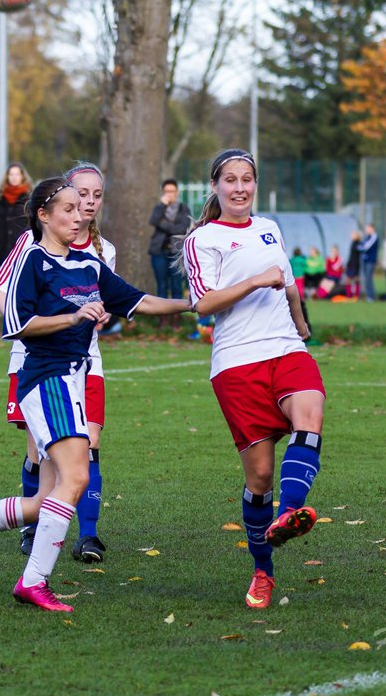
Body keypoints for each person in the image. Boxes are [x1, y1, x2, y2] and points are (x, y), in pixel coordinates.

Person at [0, 177, 191, 612]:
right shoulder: (33, 261)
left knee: (45, 500)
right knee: (78, 477)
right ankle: (34, 581)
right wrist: (71, 318)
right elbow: (17, 323)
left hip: (73, 380)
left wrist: (194, 303)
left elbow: (139, 301)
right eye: (67, 208)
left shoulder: (89, 265)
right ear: (43, 216)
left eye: (80, 207)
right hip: (45, 379)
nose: (78, 213)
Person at [182, 148, 323, 609]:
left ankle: (288, 515)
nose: (240, 188)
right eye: (231, 180)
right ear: (216, 186)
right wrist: (254, 282)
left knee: (310, 412)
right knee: (260, 476)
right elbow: (203, 304)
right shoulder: (202, 239)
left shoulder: (269, 228)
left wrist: (300, 323)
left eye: (247, 179)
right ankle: (264, 571)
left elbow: (286, 282)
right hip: (237, 362)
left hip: (285, 346)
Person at [0, 161, 117, 563]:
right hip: (36, 362)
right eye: (81, 195)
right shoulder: (33, 244)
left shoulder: (104, 250)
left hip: (85, 361)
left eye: (96, 195)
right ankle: (32, 527)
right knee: (40, 452)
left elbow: (107, 298)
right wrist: (30, 324)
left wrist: (104, 312)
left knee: (90, 445)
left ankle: (90, 536)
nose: (88, 203)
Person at [148, 178, 192, 307]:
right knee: (161, 287)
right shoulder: (159, 207)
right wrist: (161, 206)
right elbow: (153, 220)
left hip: (176, 253)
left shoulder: (184, 209)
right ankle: (162, 320)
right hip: (159, 252)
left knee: (176, 286)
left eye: (172, 191)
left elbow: (182, 228)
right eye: (166, 191)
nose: (169, 194)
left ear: (177, 192)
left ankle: (176, 321)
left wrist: (162, 224)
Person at [0, 162, 32, 266]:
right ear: (7, 176)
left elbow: (34, 222)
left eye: (17, 174)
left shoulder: (29, 198)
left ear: (22, 176)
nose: (14, 177)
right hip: (3, 248)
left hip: (22, 249)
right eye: (11, 174)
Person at [358, 223, 379, 301]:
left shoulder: (374, 237)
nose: (366, 230)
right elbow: (361, 245)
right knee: (366, 278)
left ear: (372, 228)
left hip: (370, 261)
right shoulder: (367, 237)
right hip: (365, 260)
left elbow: (365, 248)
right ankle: (369, 295)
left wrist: (361, 248)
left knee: (368, 278)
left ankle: (371, 296)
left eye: (368, 228)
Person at [343, 230, 362, 298]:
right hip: (351, 264)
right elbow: (351, 255)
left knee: (355, 279)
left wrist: (355, 265)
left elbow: (357, 256)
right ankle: (349, 295)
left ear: (357, 236)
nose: (351, 236)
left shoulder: (358, 244)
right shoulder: (353, 243)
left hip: (355, 264)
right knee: (348, 280)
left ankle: (356, 295)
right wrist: (348, 264)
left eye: (353, 235)